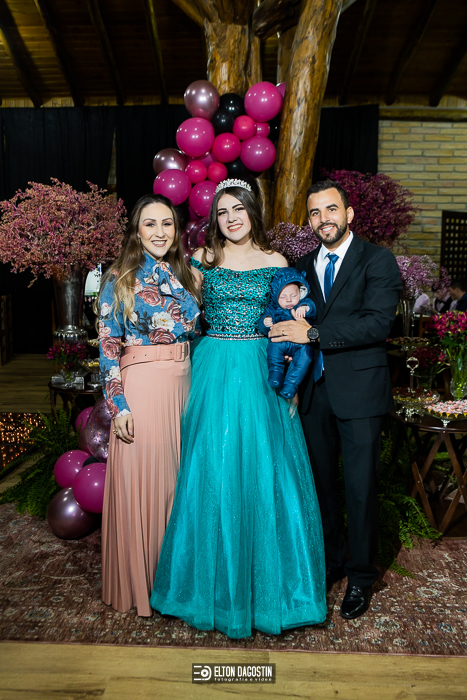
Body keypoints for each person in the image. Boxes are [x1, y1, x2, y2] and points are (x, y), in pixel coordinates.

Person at [151, 179, 327, 638]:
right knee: (211, 466)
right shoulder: (202, 259)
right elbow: (179, 313)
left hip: (260, 366)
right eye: (222, 211)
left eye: (238, 209)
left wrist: (291, 382)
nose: (231, 218)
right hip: (212, 365)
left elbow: (288, 323)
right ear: (214, 218)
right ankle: (208, 590)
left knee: (266, 469)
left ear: (253, 211)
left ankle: (270, 590)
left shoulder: (277, 262)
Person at [270, 179, 402, 620]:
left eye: (330, 209)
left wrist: (313, 333)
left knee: (360, 489)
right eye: (314, 213)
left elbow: (377, 324)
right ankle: (333, 561)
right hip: (314, 392)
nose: (323, 219)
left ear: (348, 214)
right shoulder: (302, 266)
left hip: (360, 393)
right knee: (322, 485)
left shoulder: (377, 260)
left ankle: (362, 576)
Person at [97, 193, 200, 616]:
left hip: (185, 383)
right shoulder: (119, 277)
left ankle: (177, 582)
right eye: (150, 224)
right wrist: (118, 406)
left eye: (167, 224)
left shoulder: (186, 273)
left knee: (179, 483)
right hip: (143, 386)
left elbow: (198, 326)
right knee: (149, 483)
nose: (160, 232)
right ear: (136, 232)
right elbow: (108, 347)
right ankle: (145, 584)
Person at [257, 268, 316, 399]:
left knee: (306, 356)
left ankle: (291, 384)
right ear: (275, 297)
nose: (289, 300)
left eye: (293, 296)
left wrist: (305, 308)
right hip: (280, 342)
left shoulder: (303, 304)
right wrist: (265, 322)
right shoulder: (273, 309)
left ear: (301, 293)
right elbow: (263, 326)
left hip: (301, 344)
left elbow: (313, 308)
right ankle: (275, 373)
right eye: (283, 297)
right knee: (273, 349)